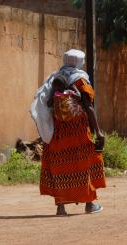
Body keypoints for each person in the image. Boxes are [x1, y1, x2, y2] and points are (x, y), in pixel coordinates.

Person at [31, 49, 106, 216]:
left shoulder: (54, 79)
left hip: (59, 132)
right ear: (79, 62)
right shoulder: (81, 80)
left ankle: (61, 207)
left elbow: (47, 103)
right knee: (83, 165)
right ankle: (89, 204)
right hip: (78, 132)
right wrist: (98, 132)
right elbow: (89, 107)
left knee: (60, 167)